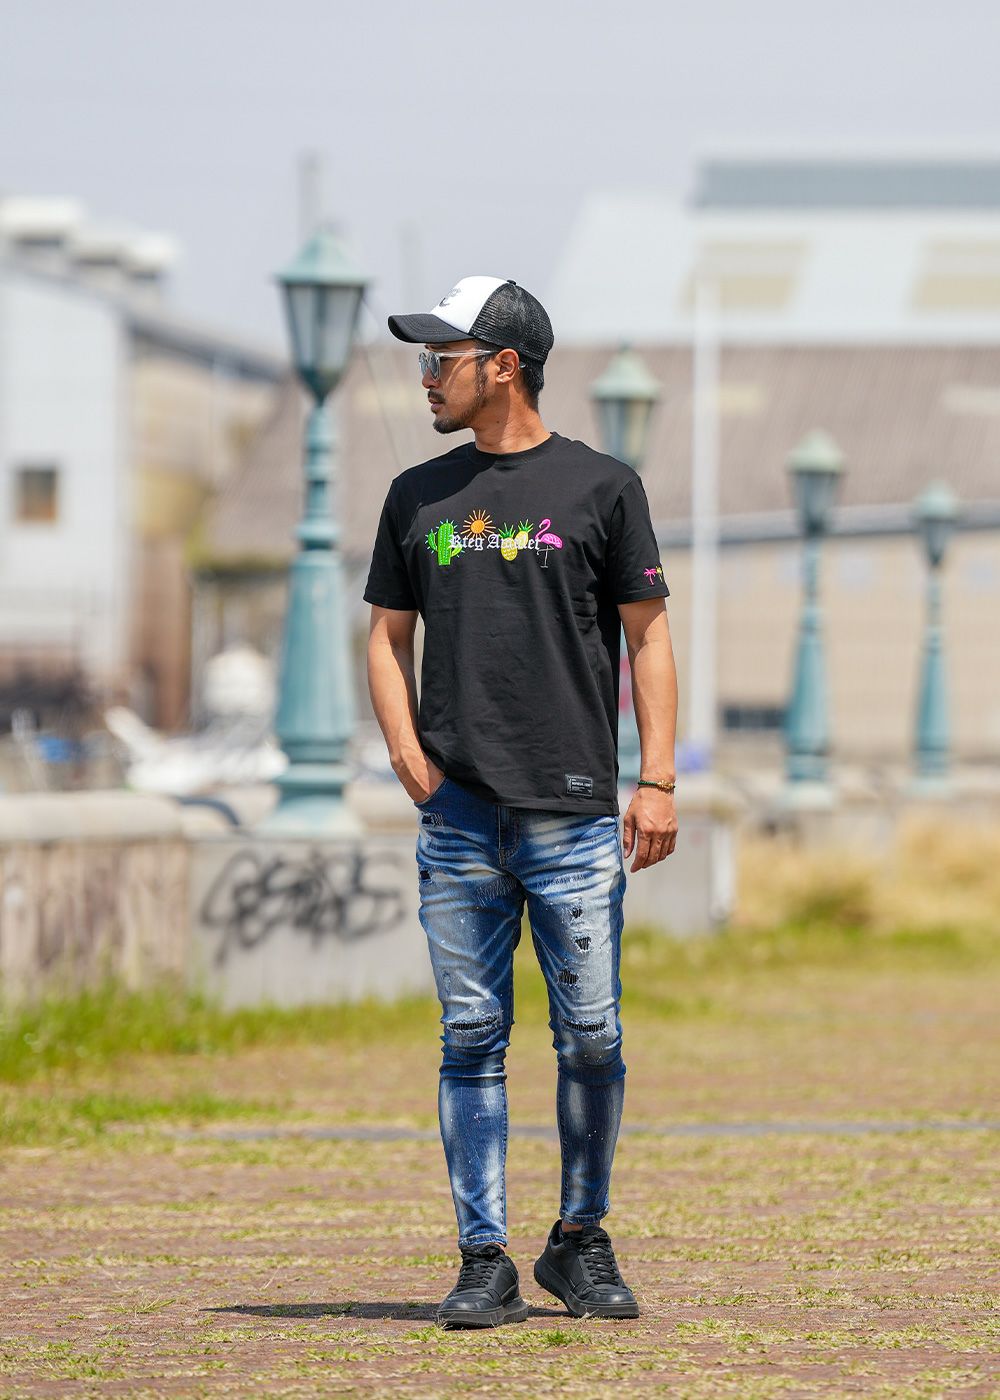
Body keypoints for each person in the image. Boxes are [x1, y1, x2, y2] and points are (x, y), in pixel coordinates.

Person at [364, 276, 678, 1328]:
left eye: (441, 359)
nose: (425, 377)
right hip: (459, 817)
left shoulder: (603, 487)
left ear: (503, 364)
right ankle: (483, 1257)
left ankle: (578, 1241)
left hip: (574, 813)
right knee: (470, 1035)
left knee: (590, 1035)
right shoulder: (417, 496)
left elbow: (648, 637)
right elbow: (386, 637)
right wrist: (408, 755)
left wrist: (656, 778)